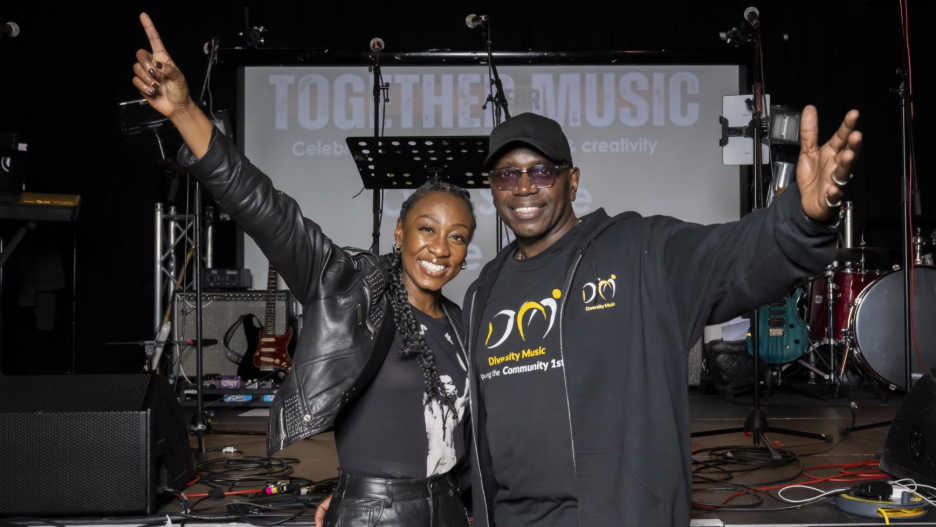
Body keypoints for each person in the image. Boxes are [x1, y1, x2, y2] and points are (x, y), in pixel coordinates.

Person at [132, 13, 475, 527]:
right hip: (372, 515)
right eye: (427, 229)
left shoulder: (463, 324)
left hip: (449, 511)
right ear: (400, 233)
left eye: (458, 237)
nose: (441, 248)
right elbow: (262, 207)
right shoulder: (349, 286)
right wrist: (183, 111)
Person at [462, 111, 861, 526]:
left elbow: (735, 254)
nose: (524, 187)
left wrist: (803, 216)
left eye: (542, 172)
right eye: (507, 175)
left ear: (573, 180)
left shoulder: (640, 252)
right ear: (492, 189)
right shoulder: (482, 293)